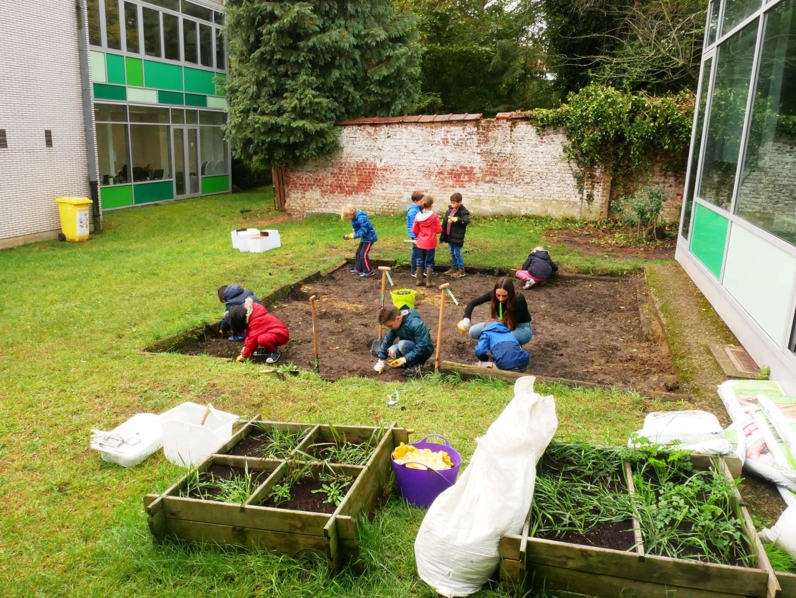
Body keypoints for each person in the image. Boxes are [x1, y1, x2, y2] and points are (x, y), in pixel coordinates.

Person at [457, 277, 533, 345]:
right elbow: (472, 303)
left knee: (500, 337)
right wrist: (466, 320)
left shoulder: (518, 300)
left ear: (511, 293)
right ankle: (503, 343)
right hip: (502, 323)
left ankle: (514, 347)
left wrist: (491, 326)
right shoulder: (493, 294)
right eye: (498, 295)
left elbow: (510, 326)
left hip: (521, 329)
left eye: (505, 296)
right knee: (473, 331)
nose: (500, 299)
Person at [373, 306, 434, 377]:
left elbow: (421, 346)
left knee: (402, 344)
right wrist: (381, 360)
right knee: (392, 350)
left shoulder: (416, 324)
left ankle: (416, 365)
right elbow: (387, 340)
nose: (390, 328)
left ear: (398, 318)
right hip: (409, 345)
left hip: (424, 350)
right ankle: (406, 363)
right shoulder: (396, 323)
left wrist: (405, 359)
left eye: (390, 326)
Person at [230, 297, 290, 364]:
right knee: (262, 338)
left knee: (262, 339)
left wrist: (244, 356)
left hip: (281, 335)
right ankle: (268, 350)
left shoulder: (257, 321)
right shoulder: (251, 316)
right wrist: (245, 346)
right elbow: (249, 335)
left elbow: (252, 340)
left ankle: (274, 352)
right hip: (273, 333)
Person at [412, 195, 442, 288]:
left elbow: (414, 229)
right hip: (431, 242)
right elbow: (439, 230)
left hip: (420, 242)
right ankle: (429, 282)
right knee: (429, 261)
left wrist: (419, 236)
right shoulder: (434, 216)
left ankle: (419, 280)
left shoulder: (418, 215)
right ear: (431, 205)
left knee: (420, 260)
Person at [341, 204, 378, 278]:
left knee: (363, 254)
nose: (348, 218)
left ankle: (369, 271)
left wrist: (355, 235)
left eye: (348, 216)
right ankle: (358, 269)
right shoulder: (355, 217)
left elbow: (364, 229)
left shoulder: (361, 218)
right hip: (365, 238)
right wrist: (352, 234)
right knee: (358, 253)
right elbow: (358, 228)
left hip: (369, 238)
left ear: (352, 213)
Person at [440, 192, 470, 279]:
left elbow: (465, 221)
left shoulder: (463, 212)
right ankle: (453, 267)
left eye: (454, 203)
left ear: (459, 202)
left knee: (457, 253)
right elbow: (446, 221)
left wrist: (457, 219)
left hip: (457, 236)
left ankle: (461, 270)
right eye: (451, 202)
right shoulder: (449, 210)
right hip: (449, 235)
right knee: (452, 253)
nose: (452, 204)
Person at [407, 191, 424, 278]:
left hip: (418, 234)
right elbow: (413, 225)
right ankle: (414, 271)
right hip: (415, 235)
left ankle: (420, 270)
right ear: (415, 201)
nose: (422, 203)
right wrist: (414, 236)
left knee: (420, 252)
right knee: (416, 252)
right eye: (421, 201)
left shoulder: (417, 209)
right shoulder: (413, 211)